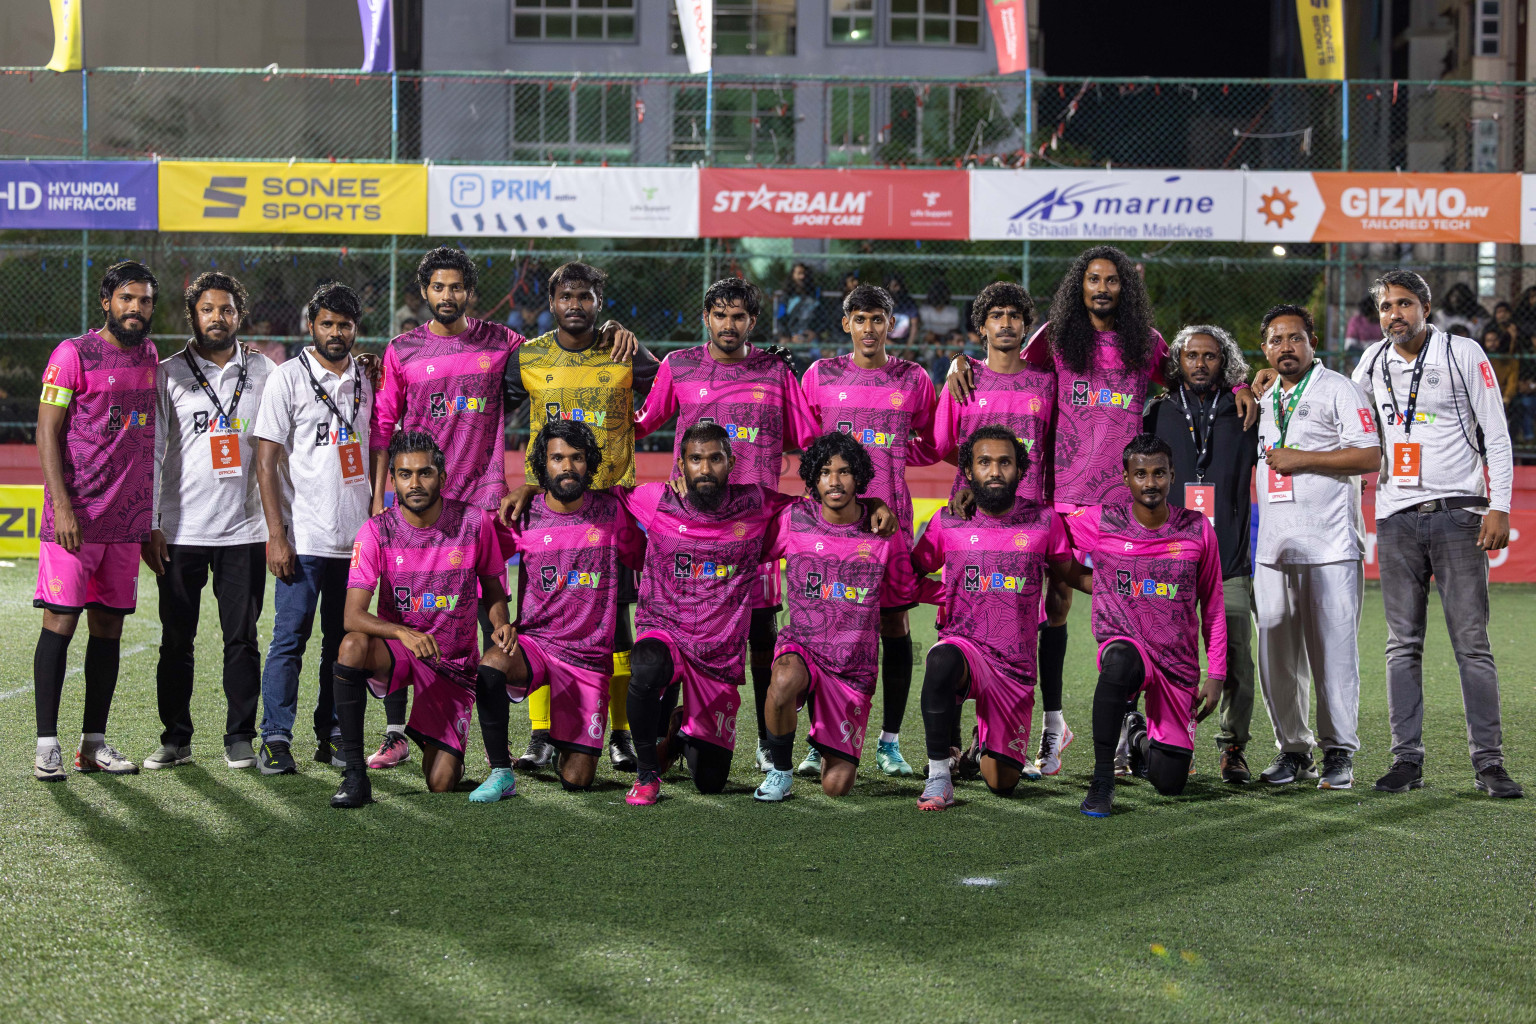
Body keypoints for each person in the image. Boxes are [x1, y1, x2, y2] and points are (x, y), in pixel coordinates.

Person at [951, 250, 1253, 779]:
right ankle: (1049, 725)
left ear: (1125, 289)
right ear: (1079, 286)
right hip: (1062, 497)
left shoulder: (1146, 343)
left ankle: (1128, 729)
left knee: (1135, 610)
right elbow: (1011, 371)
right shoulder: (1054, 337)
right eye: (1094, 279)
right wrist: (962, 366)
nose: (1103, 288)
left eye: (1112, 280)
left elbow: (1192, 376)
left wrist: (1243, 384)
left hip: (1125, 503)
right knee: (1046, 607)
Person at [367, 246, 634, 769]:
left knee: (505, 617)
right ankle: (397, 731)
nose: (448, 296)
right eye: (438, 287)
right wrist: (379, 498)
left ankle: (515, 738)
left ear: (471, 293)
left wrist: (612, 330)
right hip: (419, 503)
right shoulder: (402, 350)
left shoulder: (503, 344)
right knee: (403, 610)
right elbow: (382, 427)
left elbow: (564, 344)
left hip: (487, 505)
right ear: (424, 292)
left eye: (457, 287)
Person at [634, 277, 819, 775]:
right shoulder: (678, 366)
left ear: (752, 322)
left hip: (752, 528)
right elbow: (640, 423)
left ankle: (764, 737)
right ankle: (671, 726)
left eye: (739, 316)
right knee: (677, 628)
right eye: (720, 314)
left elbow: (809, 436)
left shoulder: (775, 370)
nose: (729, 324)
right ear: (706, 318)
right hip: (692, 526)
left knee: (760, 631)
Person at [1355, 270, 1521, 797]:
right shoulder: (1372, 362)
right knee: (1401, 644)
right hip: (1396, 517)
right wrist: (1272, 382)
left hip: (1459, 513)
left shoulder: (1463, 353)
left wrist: (1500, 506)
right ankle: (1406, 761)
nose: (1393, 315)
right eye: (1385, 307)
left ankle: (1489, 764)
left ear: (1426, 307)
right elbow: (1338, 410)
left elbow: (1496, 432)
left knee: (1472, 643)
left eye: (1403, 304)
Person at [503, 261, 660, 773]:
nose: (576, 304)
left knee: (615, 628)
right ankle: (542, 735)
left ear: (599, 302)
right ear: (552, 301)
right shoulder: (527, 357)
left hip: (608, 511)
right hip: (545, 513)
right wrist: (524, 482)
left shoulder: (621, 352)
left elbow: (669, 391)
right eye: (567, 296)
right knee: (541, 621)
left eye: (586, 296)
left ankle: (619, 735)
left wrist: (632, 341)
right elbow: (484, 415)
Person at [329, 432, 518, 808]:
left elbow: (495, 592)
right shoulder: (376, 531)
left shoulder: (475, 523)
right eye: (404, 474)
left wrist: (500, 622)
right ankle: (354, 773)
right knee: (351, 646)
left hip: (452, 664)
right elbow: (352, 615)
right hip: (400, 651)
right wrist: (403, 632)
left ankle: (437, 742)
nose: (414, 483)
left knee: (441, 782)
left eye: (425, 473)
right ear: (393, 480)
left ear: (442, 476)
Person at [618, 423, 798, 805]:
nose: (704, 468)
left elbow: (814, 508)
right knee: (646, 664)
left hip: (717, 655)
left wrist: (872, 505)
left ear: (730, 462)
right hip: (664, 630)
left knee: (711, 782)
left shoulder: (755, 502)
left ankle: (681, 726)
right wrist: (531, 486)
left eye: (714, 458)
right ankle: (647, 774)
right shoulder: (655, 499)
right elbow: (601, 495)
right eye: (695, 459)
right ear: (680, 465)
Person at [915, 281, 1054, 772]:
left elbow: (1059, 445)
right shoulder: (963, 379)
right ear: (981, 327)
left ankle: (991, 738)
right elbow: (938, 445)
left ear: (1025, 325)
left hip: (1025, 523)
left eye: (1016, 315)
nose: (1007, 323)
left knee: (1016, 624)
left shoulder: (1044, 382)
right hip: (970, 514)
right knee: (957, 621)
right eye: (997, 315)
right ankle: (950, 749)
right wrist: (976, 478)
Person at [801, 284, 938, 777]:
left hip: (890, 526)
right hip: (835, 525)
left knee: (895, 626)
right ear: (846, 324)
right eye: (860, 319)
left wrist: (895, 457)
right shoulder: (820, 375)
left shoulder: (914, 378)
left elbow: (934, 439)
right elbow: (806, 440)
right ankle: (820, 741)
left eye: (878, 319)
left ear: (890, 324)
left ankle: (890, 741)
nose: (869, 328)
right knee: (828, 629)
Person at [32, 261, 160, 782]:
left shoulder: (151, 356)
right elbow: (46, 431)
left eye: (146, 300)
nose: (136, 309)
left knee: (108, 630)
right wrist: (61, 506)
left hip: (125, 524)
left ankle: (94, 744)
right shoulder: (71, 355)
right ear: (106, 301)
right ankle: (46, 745)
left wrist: (149, 521)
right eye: (127, 299)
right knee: (60, 624)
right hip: (75, 521)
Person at [473, 420, 645, 801]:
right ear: (542, 465)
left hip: (587, 658)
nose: (567, 466)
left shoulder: (613, 512)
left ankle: (566, 745)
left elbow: (647, 561)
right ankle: (501, 770)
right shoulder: (522, 514)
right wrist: (500, 621)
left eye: (577, 458)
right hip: (536, 644)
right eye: (557, 458)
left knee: (577, 780)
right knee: (491, 666)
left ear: (589, 463)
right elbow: (485, 567)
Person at [144, 272, 274, 772]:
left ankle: (239, 736)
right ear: (192, 316)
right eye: (207, 310)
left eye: (226, 309)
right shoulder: (168, 373)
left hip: (245, 530)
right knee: (176, 639)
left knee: (241, 638)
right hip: (181, 531)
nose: (216, 318)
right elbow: (154, 452)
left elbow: (277, 450)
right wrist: (152, 521)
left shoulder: (266, 371)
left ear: (239, 315)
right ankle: (176, 738)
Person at [911, 427, 1078, 811]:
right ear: (968, 472)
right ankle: (939, 777)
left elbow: (1069, 574)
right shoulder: (949, 520)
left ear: (1020, 470)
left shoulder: (1044, 522)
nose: (995, 471)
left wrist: (1125, 580)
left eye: (1005, 462)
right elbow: (910, 573)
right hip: (965, 646)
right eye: (984, 462)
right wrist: (950, 593)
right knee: (939, 661)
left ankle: (981, 745)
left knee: (1001, 783)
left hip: (1015, 669)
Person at [1253, 305, 1380, 791]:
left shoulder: (1339, 389)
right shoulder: (1263, 397)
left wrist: (1300, 458)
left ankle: (1339, 752)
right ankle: (1293, 749)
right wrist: (1251, 387)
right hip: (1275, 548)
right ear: (1264, 349)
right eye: (1275, 340)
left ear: (1312, 342)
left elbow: (1370, 454)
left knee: (1333, 654)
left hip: (1330, 545)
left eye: (1295, 338)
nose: (1285, 347)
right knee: (1276, 655)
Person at [1066, 434, 1226, 818]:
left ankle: (1137, 736)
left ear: (1172, 475)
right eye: (1140, 474)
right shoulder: (1101, 519)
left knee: (1169, 781)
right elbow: (1049, 540)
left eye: (1158, 473)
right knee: (1118, 662)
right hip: (1127, 644)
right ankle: (1102, 779)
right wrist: (1095, 583)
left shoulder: (1198, 528)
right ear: (1126, 478)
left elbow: (1214, 604)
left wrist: (1217, 672)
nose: (1149, 482)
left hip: (1177, 662)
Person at [754, 431, 916, 802]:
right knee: (781, 682)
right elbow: (744, 535)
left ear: (858, 477)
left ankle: (822, 735)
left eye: (844, 472)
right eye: (825, 471)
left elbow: (904, 597)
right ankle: (780, 771)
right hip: (804, 647)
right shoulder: (794, 518)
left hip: (852, 669)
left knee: (836, 787)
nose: (834, 480)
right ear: (813, 478)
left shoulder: (883, 534)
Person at [252, 282, 373, 775]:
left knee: (340, 643)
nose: (336, 333)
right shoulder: (287, 378)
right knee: (289, 640)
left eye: (345, 325)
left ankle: (333, 733)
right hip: (304, 540)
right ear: (311, 326)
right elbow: (265, 462)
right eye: (327, 323)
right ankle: (276, 738)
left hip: (356, 543)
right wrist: (276, 534)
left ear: (355, 329)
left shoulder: (367, 378)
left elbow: (375, 451)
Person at [1143, 325, 1259, 784]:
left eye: (1210, 356)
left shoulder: (1244, 410)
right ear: (1178, 360)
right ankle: (1162, 738)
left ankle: (1233, 747)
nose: (1200, 363)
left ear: (1223, 362)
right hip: (1167, 557)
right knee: (1158, 654)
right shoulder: (1156, 412)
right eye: (1191, 355)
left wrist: (1251, 385)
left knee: (1235, 656)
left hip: (1227, 558)